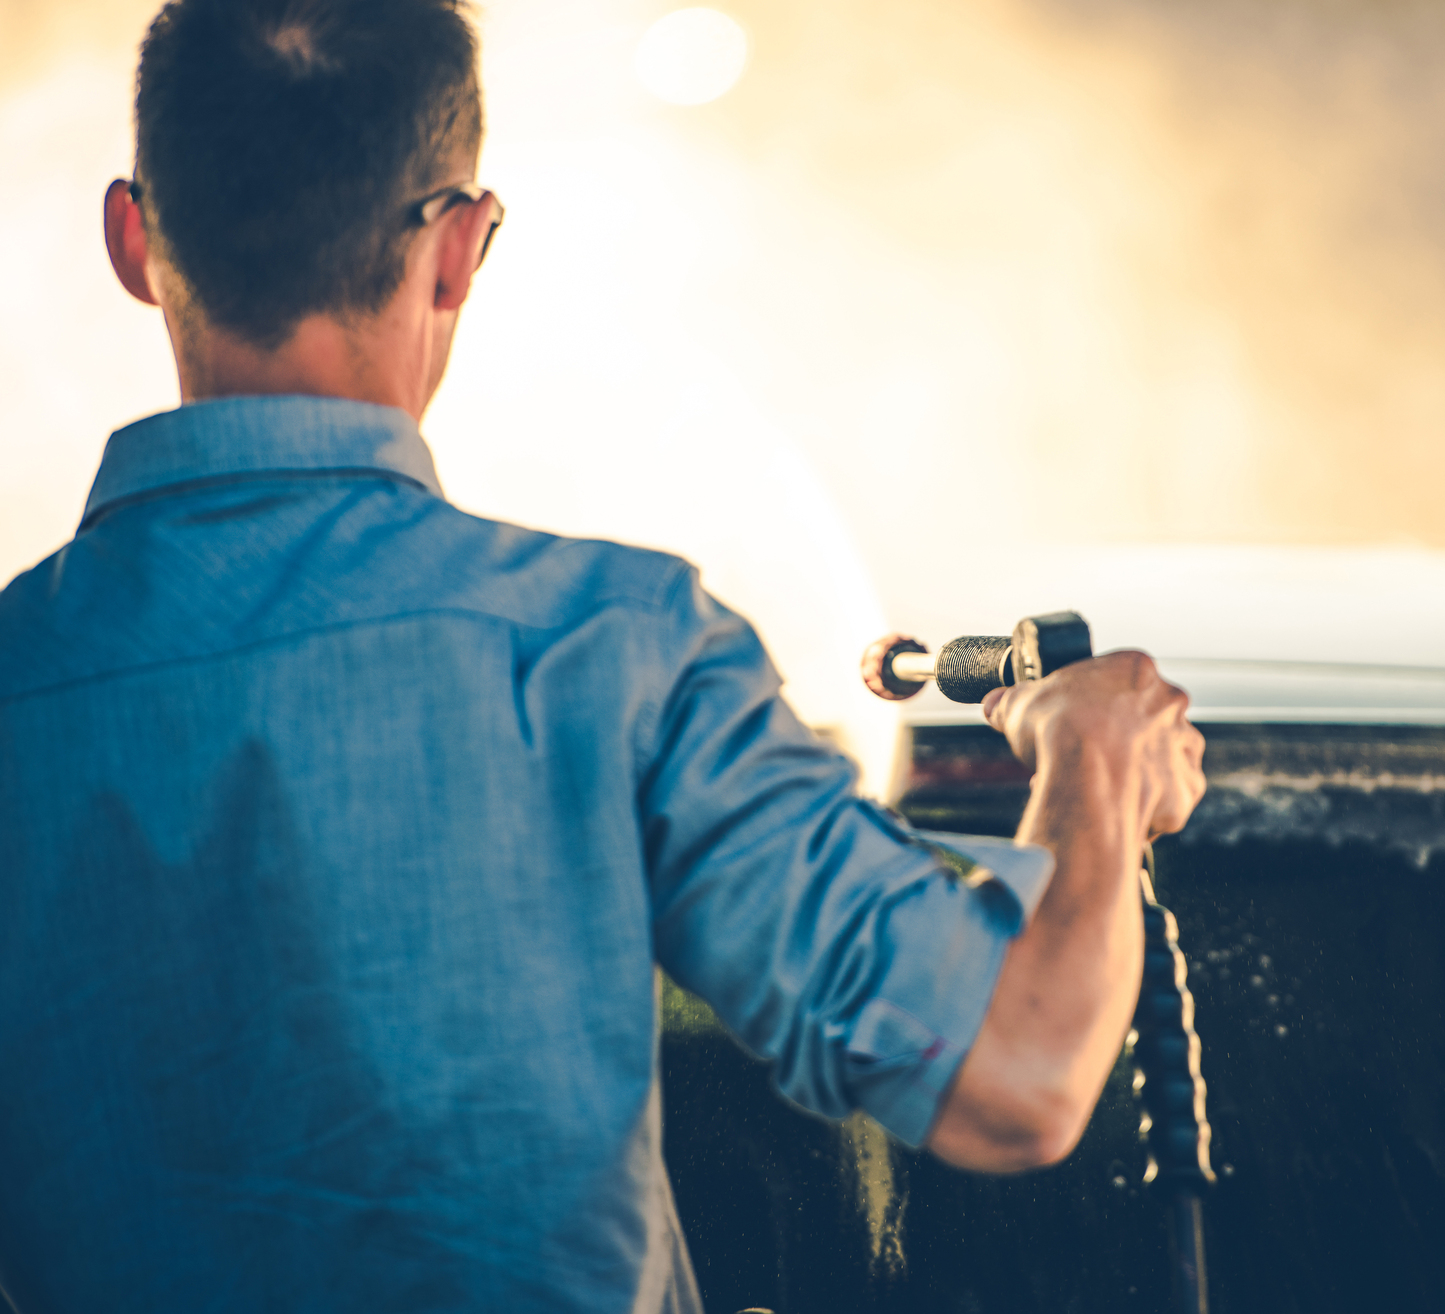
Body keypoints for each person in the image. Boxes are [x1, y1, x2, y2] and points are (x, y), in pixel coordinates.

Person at [0, 0, 1205, 1309]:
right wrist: (1097, 759)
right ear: (458, 251)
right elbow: (1021, 1068)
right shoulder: (613, 653)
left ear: (134, 239)